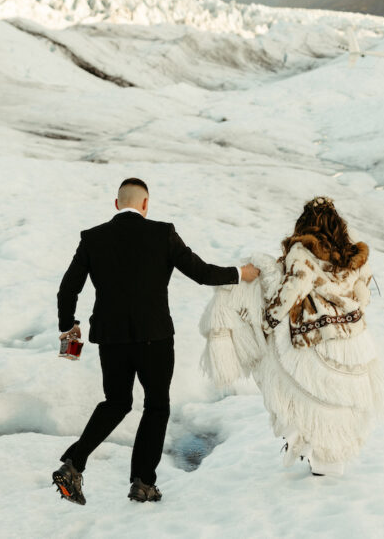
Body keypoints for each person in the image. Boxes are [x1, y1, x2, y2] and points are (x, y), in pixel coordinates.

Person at [51, 177, 260, 505]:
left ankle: (73, 465)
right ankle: (143, 483)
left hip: (111, 339)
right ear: (146, 205)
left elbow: (67, 289)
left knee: (116, 403)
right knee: (157, 405)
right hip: (155, 338)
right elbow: (202, 273)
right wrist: (240, 273)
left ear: (117, 204)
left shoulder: (93, 238)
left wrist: (69, 329)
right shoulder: (163, 233)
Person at [199, 196, 384, 476]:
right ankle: (330, 462)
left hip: (317, 338)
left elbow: (293, 291)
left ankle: (314, 453)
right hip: (355, 341)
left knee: (305, 393)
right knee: (339, 401)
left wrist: (268, 321)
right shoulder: (352, 255)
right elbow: (363, 293)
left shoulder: (303, 251)